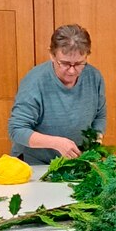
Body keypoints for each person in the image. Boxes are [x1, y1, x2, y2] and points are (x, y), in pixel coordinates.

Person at [8, 24, 106, 165]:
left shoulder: (94, 77)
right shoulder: (35, 81)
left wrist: (96, 138)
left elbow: (99, 116)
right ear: (52, 55)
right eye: (65, 63)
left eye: (79, 63)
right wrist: (57, 143)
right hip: (36, 164)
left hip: (75, 163)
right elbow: (17, 130)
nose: (72, 71)